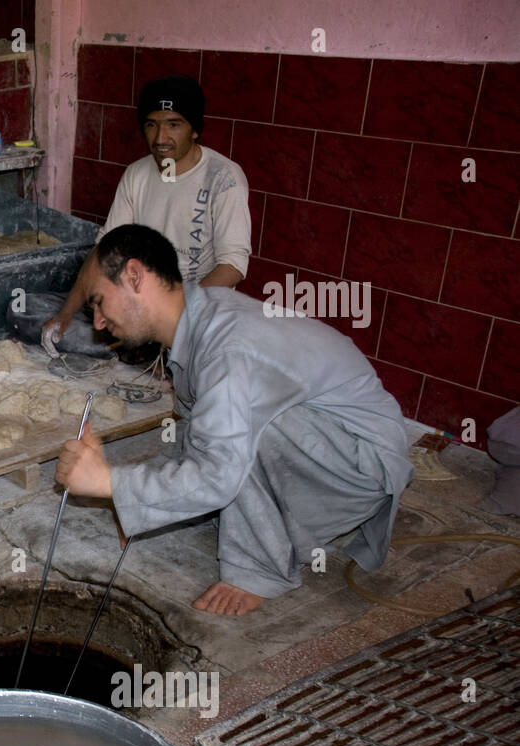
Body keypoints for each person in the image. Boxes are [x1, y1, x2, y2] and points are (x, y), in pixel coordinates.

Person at [54, 225, 412, 615]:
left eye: (99, 302)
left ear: (135, 276)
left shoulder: (228, 348)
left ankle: (260, 568)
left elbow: (216, 472)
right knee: (215, 425)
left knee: (240, 438)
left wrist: (110, 482)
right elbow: (198, 432)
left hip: (362, 465)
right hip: (331, 445)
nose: (100, 323)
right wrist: (138, 502)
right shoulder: (202, 314)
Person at [15, 75, 252, 355]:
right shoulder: (137, 173)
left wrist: (175, 317)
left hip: (192, 313)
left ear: (194, 130)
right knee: (24, 310)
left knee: (180, 346)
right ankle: (131, 348)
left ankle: (142, 348)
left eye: (174, 124)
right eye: (152, 125)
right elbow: (105, 249)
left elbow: (233, 266)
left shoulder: (223, 177)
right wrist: (66, 313)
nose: (160, 138)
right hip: (131, 308)